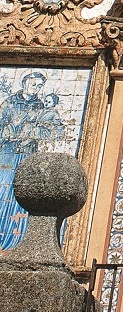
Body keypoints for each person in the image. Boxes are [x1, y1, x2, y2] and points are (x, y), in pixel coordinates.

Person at [0, 71, 66, 249]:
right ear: (24, 83)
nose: (36, 88)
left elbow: (57, 131)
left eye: (39, 86)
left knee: (22, 194)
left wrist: (33, 132)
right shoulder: (9, 103)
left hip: (27, 156)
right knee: (3, 191)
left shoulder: (42, 107)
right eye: (33, 84)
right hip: (7, 155)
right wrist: (8, 132)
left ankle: (16, 243)